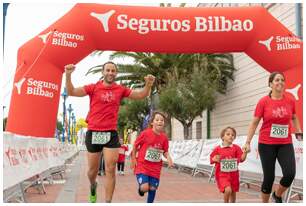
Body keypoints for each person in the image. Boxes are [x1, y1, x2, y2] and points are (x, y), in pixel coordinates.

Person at [65, 62, 155, 203]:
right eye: (108, 70)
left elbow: (140, 95)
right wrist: (68, 75)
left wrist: (148, 85)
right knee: (92, 171)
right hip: (94, 132)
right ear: (103, 72)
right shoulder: (93, 87)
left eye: (113, 70)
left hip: (110, 133)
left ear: (116, 73)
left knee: (110, 168)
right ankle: (93, 185)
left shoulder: (120, 89)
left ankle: (108, 202)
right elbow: (72, 92)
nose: (110, 73)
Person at [242, 72, 302, 203]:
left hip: (285, 143)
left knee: (290, 174)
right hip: (266, 144)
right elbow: (254, 122)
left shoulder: (290, 100)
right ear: (270, 84)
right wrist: (247, 142)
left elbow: (294, 117)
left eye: (282, 80)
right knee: (269, 178)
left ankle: (277, 194)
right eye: (276, 80)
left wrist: (299, 131)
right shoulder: (263, 102)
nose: (280, 82)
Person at [130, 111, 174, 203]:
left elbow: (165, 151)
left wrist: (169, 158)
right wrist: (133, 159)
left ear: (164, 123)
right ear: (152, 122)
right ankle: (141, 189)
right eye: (157, 120)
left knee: (153, 188)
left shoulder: (164, 138)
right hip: (143, 166)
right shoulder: (145, 134)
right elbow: (135, 145)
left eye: (162, 120)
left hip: (155, 168)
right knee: (145, 188)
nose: (159, 122)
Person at [210, 127, 248, 203]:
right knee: (228, 190)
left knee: (233, 192)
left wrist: (245, 152)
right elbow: (212, 158)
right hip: (222, 174)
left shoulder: (236, 148)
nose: (231, 136)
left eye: (233, 135)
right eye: (228, 134)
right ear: (222, 137)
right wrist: (214, 159)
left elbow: (241, 159)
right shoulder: (218, 149)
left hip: (234, 174)